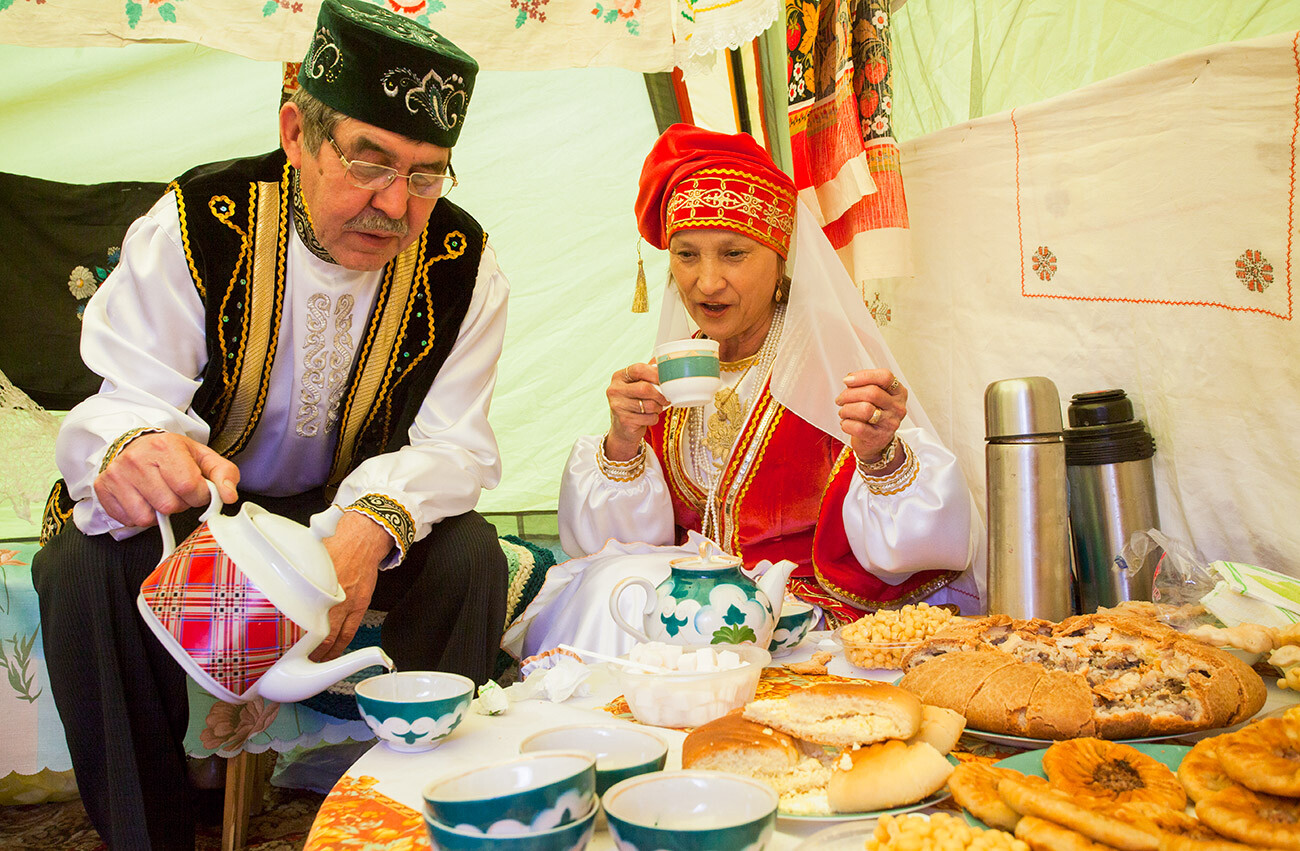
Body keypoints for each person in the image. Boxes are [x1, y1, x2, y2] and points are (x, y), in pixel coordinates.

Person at [32, 1, 509, 847]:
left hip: (339, 518)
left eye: (427, 174)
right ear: (298, 132)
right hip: (204, 520)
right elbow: (129, 394)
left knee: (469, 553)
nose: (395, 204)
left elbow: (454, 444)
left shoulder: (462, 263)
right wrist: (137, 451)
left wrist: (370, 526)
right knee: (82, 561)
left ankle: (429, 815)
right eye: (368, 160)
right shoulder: (196, 221)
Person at [514, 124, 983, 659]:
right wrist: (623, 442)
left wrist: (882, 454)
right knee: (614, 585)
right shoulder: (673, 369)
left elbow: (913, 547)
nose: (706, 282)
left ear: (782, 259)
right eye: (687, 255)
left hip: (803, 615)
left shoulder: (829, 359)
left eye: (733, 254)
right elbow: (612, 547)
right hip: (688, 608)